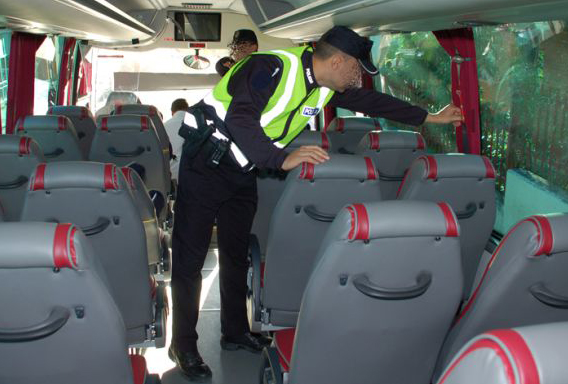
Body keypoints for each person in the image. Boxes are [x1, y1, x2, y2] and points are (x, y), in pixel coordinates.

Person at [169, 26, 463, 381]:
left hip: (242, 167)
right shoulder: (270, 67)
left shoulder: (325, 87)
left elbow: (373, 103)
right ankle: (182, 344)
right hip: (206, 161)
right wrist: (281, 159)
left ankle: (234, 331)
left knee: (234, 251)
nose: (358, 78)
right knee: (191, 254)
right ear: (338, 61)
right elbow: (241, 117)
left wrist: (430, 117)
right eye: (357, 69)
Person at [164, 98, 189, 182]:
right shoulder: (196, 124)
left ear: (172, 112)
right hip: (192, 174)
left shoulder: (163, 127)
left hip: (171, 174)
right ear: (187, 109)